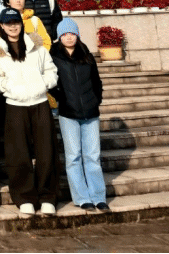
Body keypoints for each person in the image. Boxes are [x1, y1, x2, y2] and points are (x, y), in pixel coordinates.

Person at [0, 9, 59, 217]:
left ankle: (47, 196)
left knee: (47, 152)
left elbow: (51, 71)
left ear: (21, 24)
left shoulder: (37, 48)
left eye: (16, 22)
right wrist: (10, 90)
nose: (13, 26)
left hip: (40, 102)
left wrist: (42, 85)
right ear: (2, 26)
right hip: (15, 104)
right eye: (8, 23)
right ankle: (25, 197)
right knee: (18, 153)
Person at [50, 19, 109, 213]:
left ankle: (98, 197)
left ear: (77, 35)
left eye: (72, 33)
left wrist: (96, 100)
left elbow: (97, 82)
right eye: (65, 34)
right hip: (68, 113)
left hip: (90, 113)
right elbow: (51, 83)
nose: (69, 37)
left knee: (92, 156)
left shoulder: (87, 56)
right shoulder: (54, 57)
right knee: (73, 156)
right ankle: (82, 198)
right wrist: (61, 99)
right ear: (59, 36)